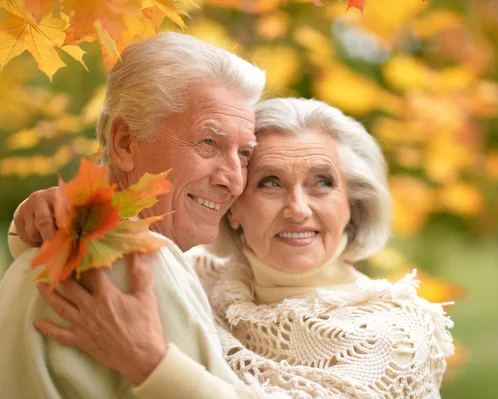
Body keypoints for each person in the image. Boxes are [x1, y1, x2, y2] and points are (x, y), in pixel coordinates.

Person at [11, 98, 454, 398]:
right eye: (270, 184)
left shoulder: (398, 334)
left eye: (322, 183)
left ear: (352, 205)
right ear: (233, 208)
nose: (298, 209)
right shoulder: (197, 276)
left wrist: (151, 364)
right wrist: (43, 217)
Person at [0, 31, 286, 399]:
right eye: (208, 142)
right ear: (124, 143)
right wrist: (154, 365)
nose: (233, 180)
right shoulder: (142, 257)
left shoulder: (39, 253)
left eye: (244, 155)